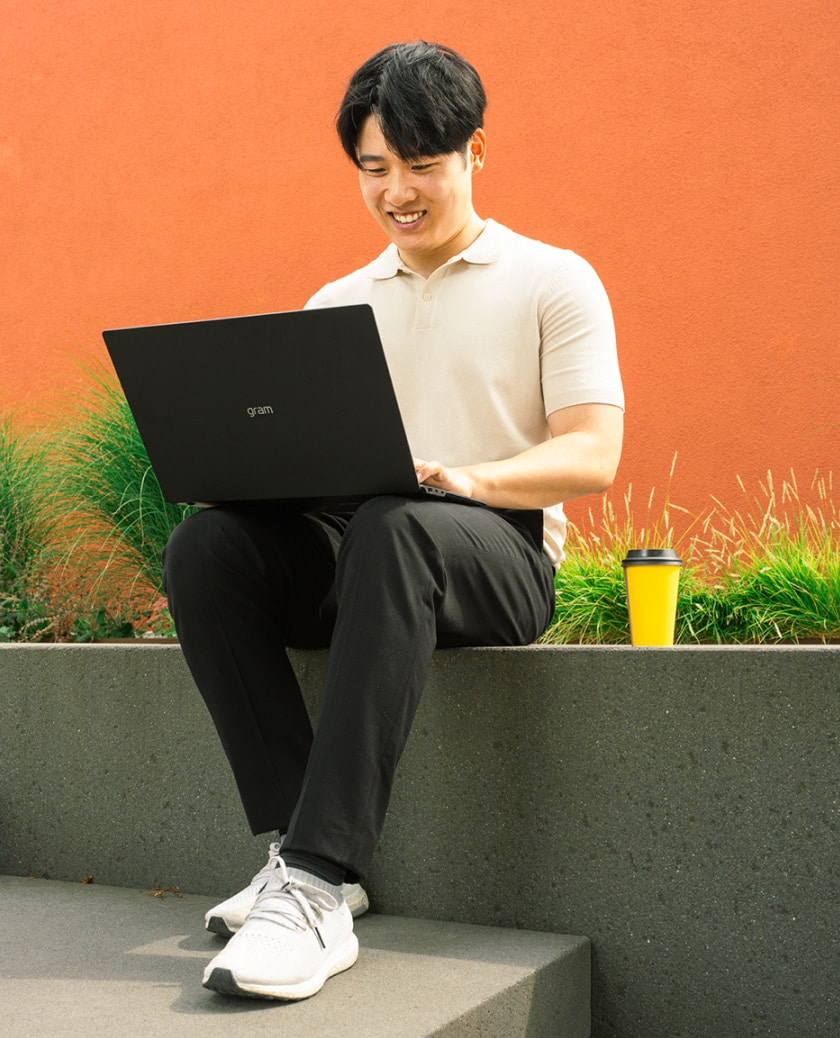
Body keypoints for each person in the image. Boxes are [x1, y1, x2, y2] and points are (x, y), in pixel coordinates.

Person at [162, 40, 624, 1001]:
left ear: (475, 151)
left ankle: (321, 886)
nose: (398, 191)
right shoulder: (336, 303)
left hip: (497, 555)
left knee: (399, 520)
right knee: (207, 548)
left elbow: (592, 453)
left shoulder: (554, 280)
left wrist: (465, 478)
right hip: (363, 553)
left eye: (421, 164)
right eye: (376, 169)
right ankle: (297, 855)